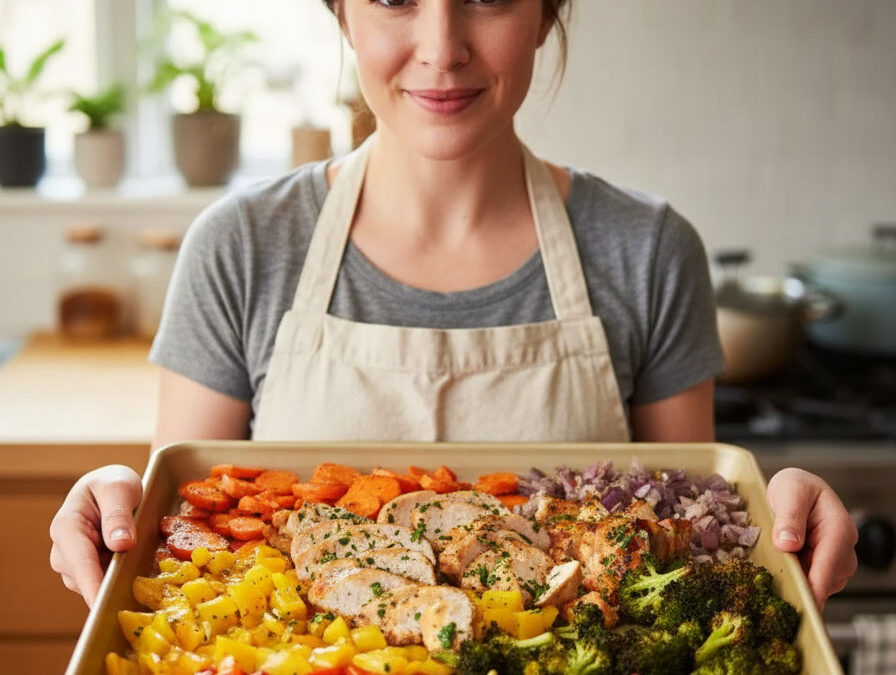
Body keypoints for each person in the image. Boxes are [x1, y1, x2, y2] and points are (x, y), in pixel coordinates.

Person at [50, 0, 856, 612]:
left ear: (546, 15)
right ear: (340, 14)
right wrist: (121, 493)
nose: (441, 49)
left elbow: (698, 534)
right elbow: (181, 541)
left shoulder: (646, 249)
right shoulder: (242, 245)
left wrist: (774, 516)